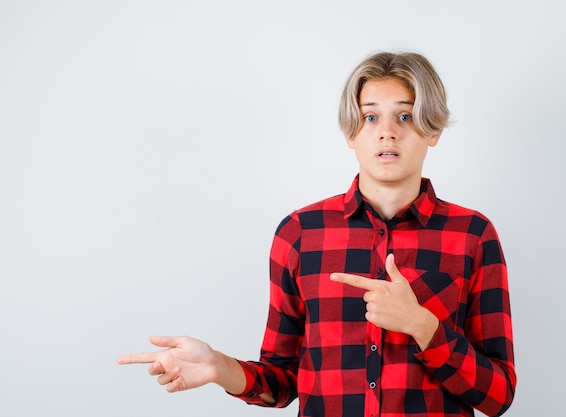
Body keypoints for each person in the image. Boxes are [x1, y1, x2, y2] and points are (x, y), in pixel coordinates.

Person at [118, 51, 516, 417]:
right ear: (350, 132)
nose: (388, 132)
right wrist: (220, 368)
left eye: (406, 116)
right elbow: (283, 379)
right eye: (371, 117)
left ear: (433, 131)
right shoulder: (300, 234)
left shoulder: (473, 236)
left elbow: (499, 396)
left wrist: (423, 327)